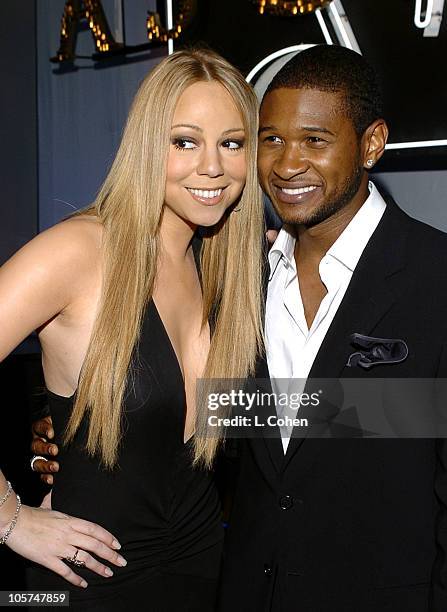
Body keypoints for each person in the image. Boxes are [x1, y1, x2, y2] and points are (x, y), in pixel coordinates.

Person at [0, 48, 263, 611]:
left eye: (233, 143)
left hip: (198, 576)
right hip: (81, 587)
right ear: (148, 143)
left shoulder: (227, 274)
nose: (213, 166)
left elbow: (257, 413)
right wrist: (7, 517)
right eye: (185, 141)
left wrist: (419, 410)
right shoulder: (79, 252)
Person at [215, 45, 447, 611]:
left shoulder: (434, 276)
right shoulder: (238, 279)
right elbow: (226, 437)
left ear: (371, 143)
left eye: (314, 141)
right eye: (271, 139)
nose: (287, 164)